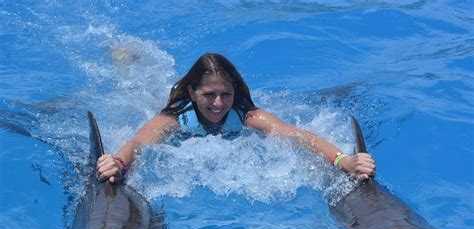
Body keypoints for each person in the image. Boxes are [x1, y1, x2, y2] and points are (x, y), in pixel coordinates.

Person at [97, 53, 375, 183]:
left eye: (226, 94)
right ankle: (126, 60)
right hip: (173, 109)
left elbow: (298, 136)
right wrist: (117, 163)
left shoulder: (247, 116)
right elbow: (138, 144)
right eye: (209, 95)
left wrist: (344, 161)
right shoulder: (172, 120)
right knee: (137, 89)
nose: (218, 104)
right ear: (193, 92)